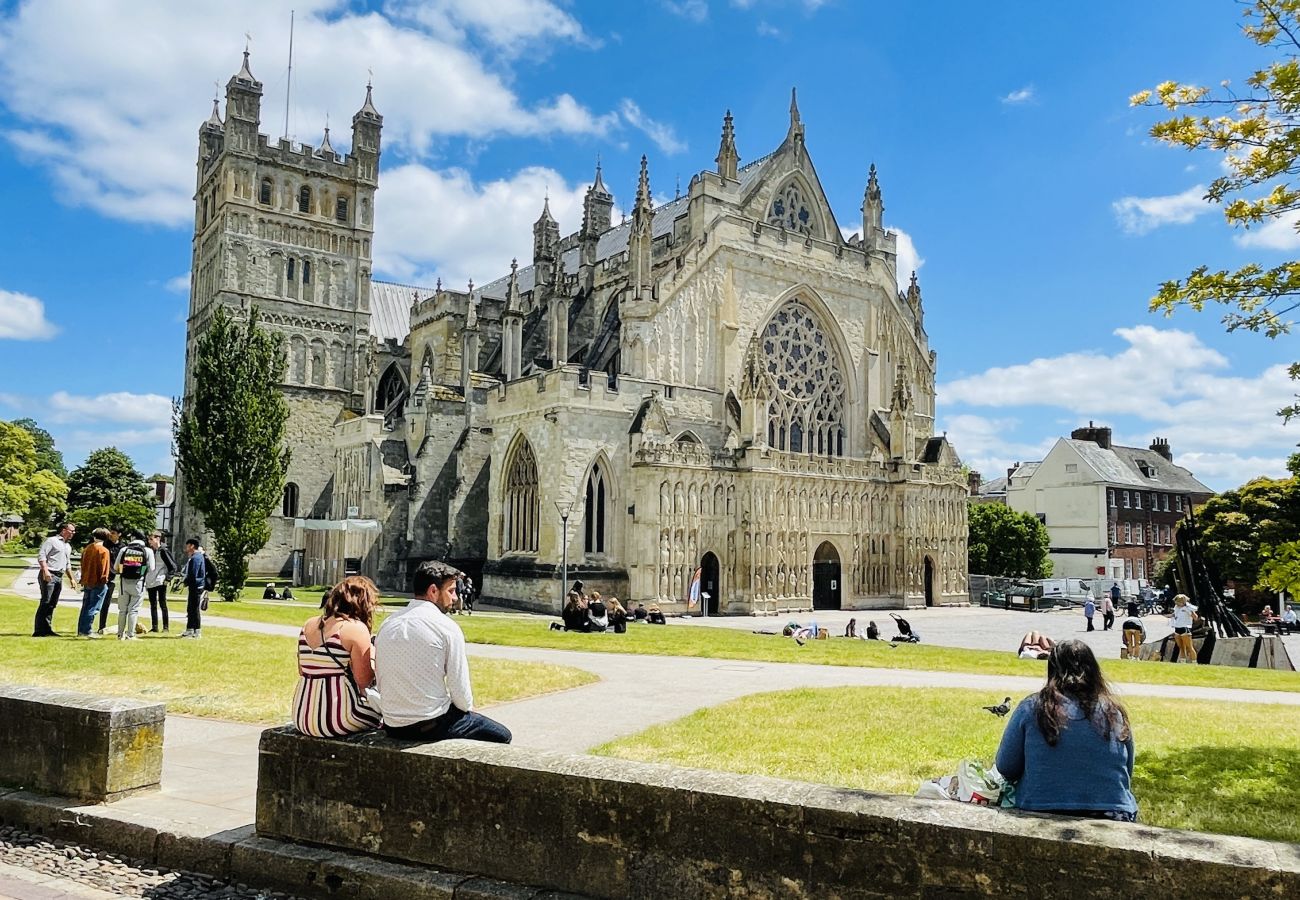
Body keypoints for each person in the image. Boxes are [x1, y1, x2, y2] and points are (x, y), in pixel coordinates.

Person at [995, 640, 1137, 822]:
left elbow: (1006, 766)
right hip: (1114, 813)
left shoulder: (1032, 707)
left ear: (1052, 670)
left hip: (1040, 809)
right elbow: (1127, 770)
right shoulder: (1113, 711)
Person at [375, 560, 511, 744]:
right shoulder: (446, 627)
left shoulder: (388, 623)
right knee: (502, 736)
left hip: (393, 724)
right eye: (451, 591)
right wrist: (468, 711)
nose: (455, 598)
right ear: (433, 591)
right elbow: (460, 693)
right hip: (430, 724)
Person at [292, 575, 383, 738]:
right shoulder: (355, 628)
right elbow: (364, 680)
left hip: (301, 716)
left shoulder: (309, 624)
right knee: (384, 717)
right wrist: (373, 655)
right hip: (337, 719)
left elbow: (302, 670)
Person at [33, 522, 76, 637]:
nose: (73, 533)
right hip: (49, 574)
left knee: (52, 603)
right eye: (71, 530)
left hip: (59, 576)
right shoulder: (52, 541)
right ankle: (38, 631)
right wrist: (45, 571)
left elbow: (67, 564)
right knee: (45, 602)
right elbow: (42, 556)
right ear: (63, 530)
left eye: (74, 531)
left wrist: (71, 579)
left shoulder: (67, 546)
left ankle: (47, 629)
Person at [113, 531, 153, 640]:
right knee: (133, 610)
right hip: (138, 583)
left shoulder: (124, 550)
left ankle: (120, 634)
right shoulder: (147, 551)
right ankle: (131, 634)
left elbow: (117, 566)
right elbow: (151, 568)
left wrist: (123, 572)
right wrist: (141, 571)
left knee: (122, 610)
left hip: (124, 582)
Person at [76, 528, 112, 639]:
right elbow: (103, 568)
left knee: (85, 606)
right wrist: (104, 580)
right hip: (97, 582)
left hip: (87, 580)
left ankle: (81, 630)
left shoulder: (87, 548)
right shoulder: (103, 551)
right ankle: (87, 630)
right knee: (94, 607)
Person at [144, 533, 176, 633]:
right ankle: (154, 627)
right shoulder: (151, 551)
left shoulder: (163, 550)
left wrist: (168, 579)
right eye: (149, 540)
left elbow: (173, 566)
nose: (149, 542)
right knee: (153, 604)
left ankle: (165, 627)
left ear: (158, 539)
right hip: (151, 580)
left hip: (160, 580)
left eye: (151, 539)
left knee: (162, 604)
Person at [96, 528, 121, 635]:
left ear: (119, 534)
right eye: (110, 533)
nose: (111, 535)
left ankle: (106, 626)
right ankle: (100, 626)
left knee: (109, 604)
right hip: (104, 576)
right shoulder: (105, 544)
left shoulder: (122, 547)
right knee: (101, 603)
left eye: (114, 533)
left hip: (115, 577)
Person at [181, 538, 207, 639]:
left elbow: (193, 573)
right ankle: (190, 629)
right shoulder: (195, 557)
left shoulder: (196, 557)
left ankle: (197, 631)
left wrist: (187, 581)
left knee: (194, 609)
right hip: (194, 585)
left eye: (187, 546)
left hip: (196, 586)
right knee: (190, 608)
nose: (186, 548)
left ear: (192, 546)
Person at [1169, 593, 1198, 664]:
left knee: (1189, 647)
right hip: (1177, 628)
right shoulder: (1176, 607)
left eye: (1178, 602)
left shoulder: (1188, 608)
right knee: (1181, 647)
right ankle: (1183, 661)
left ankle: (1194, 662)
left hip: (1185, 628)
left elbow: (1195, 617)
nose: (1177, 603)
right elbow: (1176, 615)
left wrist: (1191, 613)